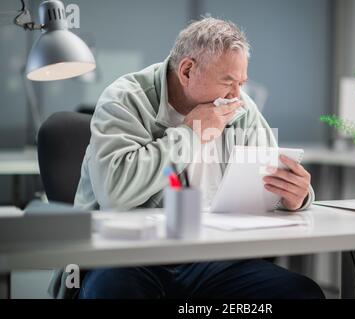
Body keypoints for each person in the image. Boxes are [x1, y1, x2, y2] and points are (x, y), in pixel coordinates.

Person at [48, 17, 324, 299]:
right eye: (228, 81)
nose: (236, 95)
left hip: (210, 259)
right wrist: (190, 134)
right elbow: (114, 194)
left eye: (241, 83)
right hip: (126, 257)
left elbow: (272, 176)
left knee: (302, 293)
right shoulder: (124, 100)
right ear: (188, 70)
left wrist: (297, 196)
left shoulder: (240, 108)